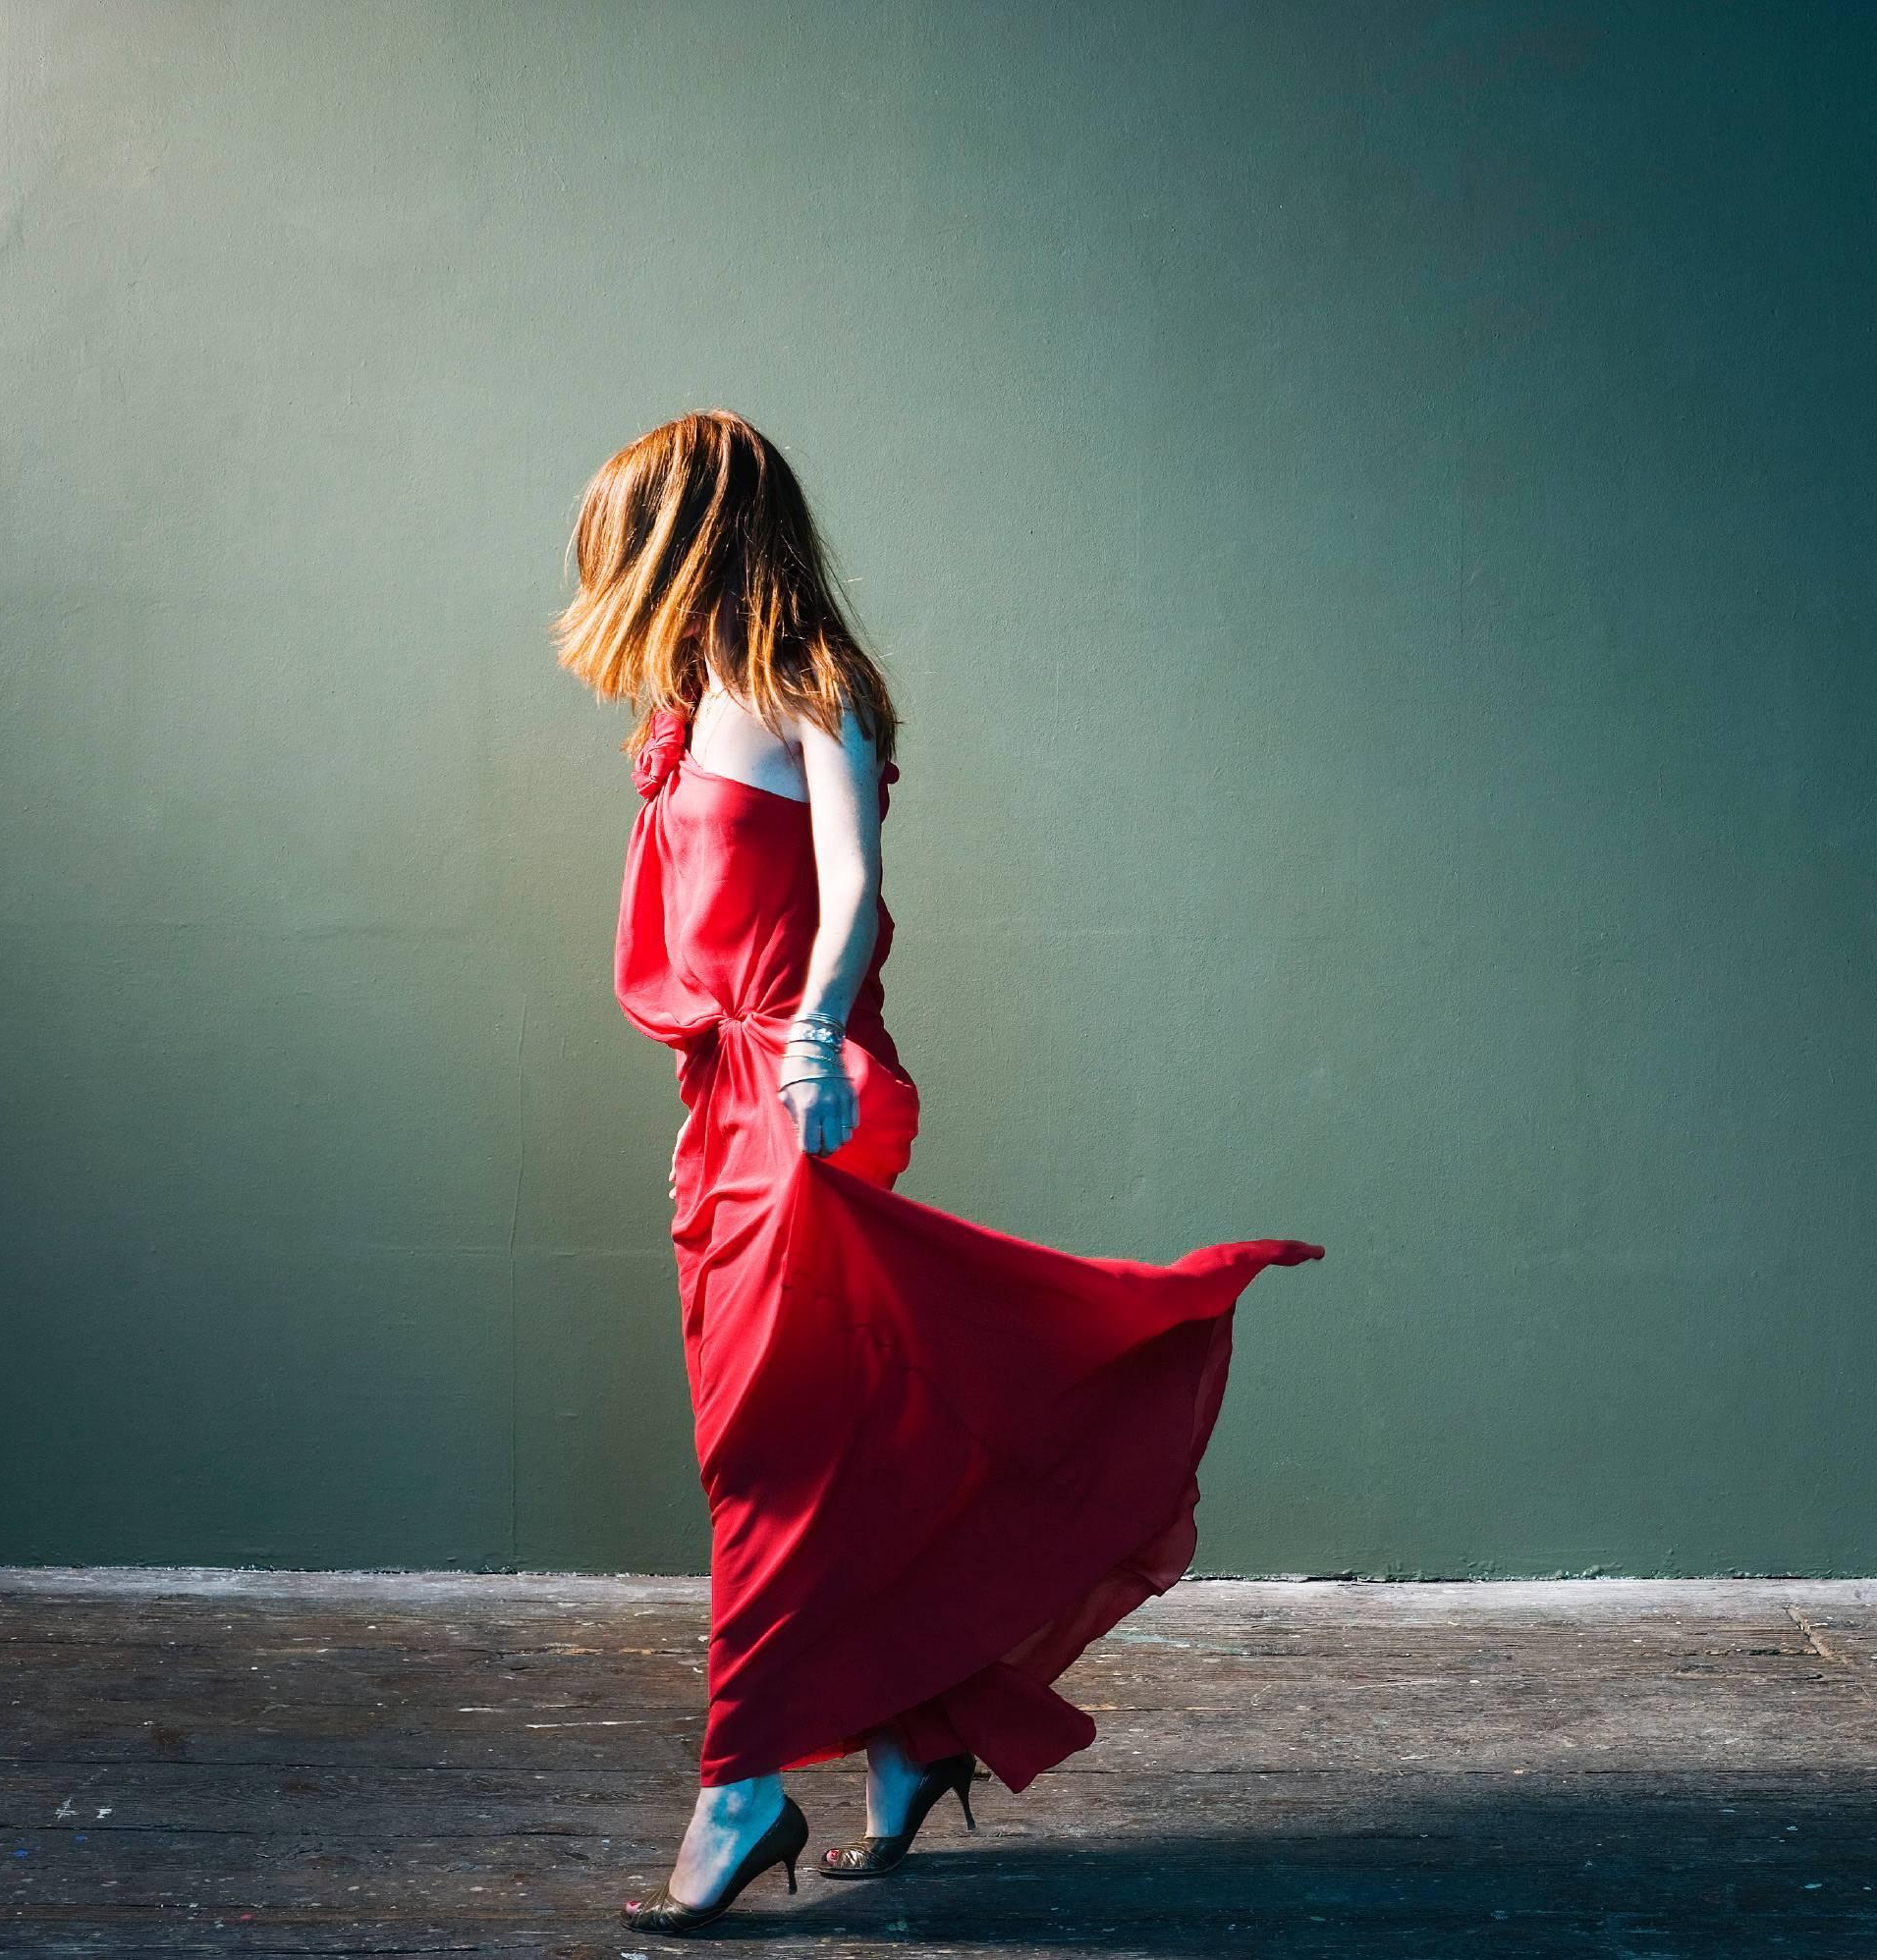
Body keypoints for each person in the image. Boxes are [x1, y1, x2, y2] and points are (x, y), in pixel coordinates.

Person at [549, 409, 1322, 1933]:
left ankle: (741, 1790)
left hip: (802, 1085)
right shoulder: (697, 691)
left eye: (629, 537)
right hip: (725, 1104)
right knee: (833, 1444)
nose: (612, 570)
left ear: (693, 532)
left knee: (773, 1460)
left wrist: (822, 1039)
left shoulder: (802, 687)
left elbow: (853, 891)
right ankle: (918, 1739)